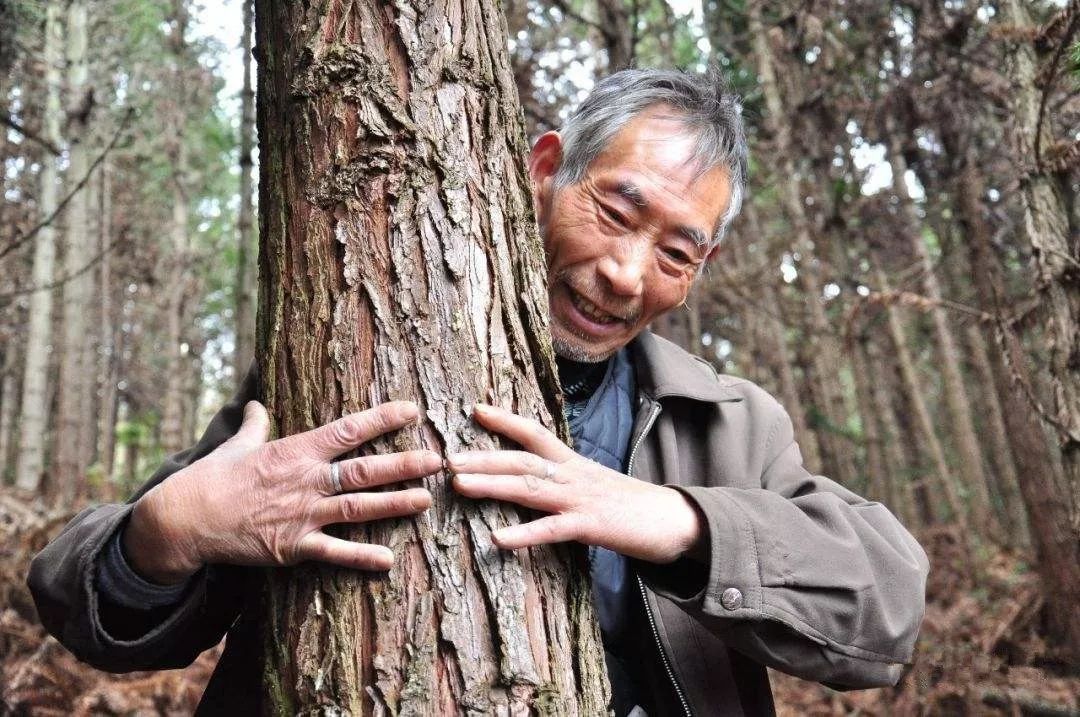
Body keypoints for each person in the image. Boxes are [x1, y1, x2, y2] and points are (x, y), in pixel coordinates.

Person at [28, 69, 929, 716]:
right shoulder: (347, 361)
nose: (624, 273)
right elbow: (82, 603)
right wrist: (165, 532)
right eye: (615, 211)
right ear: (545, 168)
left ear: (703, 268)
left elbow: (886, 607)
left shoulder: (733, 424)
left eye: (675, 252)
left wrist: (676, 521)